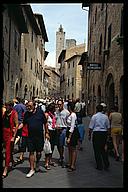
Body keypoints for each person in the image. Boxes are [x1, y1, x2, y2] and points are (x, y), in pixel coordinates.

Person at [20, 100, 49, 177]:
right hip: (30, 136)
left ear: (34, 105)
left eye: (30, 106)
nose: (28, 107)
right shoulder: (27, 114)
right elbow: (23, 123)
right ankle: (32, 169)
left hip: (39, 136)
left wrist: (46, 133)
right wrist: (17, 128)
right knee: (31, 152)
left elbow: (45, 123)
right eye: (27, 106)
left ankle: (37, 162)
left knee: (39, 152)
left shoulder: (40, 112)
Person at [88, 104, 110, 170]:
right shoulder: (105, 117)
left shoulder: (94, 117)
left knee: (97, 150)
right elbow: (108, 127)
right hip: (104, 133)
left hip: (97, 134)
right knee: (103, 149)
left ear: (97, 109)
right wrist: (108, 135)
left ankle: (99, 165)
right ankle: (106, 163)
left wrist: (89, 135)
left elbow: (91, 127)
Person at [2, 101, 19, 178]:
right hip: (3, 132)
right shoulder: (5, 113)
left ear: (11, 106)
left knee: (8, 151)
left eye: (7, 106)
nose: (5, 107)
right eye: (5, 105)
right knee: (9, 150)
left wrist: (13, 136)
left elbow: (16, 124)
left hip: (9, 133)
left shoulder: (14, 113)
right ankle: (12, 161)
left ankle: (6, 169)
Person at [55, 99, 70, 167]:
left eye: (60, 104)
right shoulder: (56, 111)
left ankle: (61, 157)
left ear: (63, 104)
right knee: (58, 144)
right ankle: (61, 156)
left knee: (61, 144)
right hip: (57, 129)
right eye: (58, 104)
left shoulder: (66, 112)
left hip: (63, 129)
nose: (59, 106)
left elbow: (69, 121)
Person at [66, 102, 80, 171]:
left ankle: (72, 165)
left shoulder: (73, 115)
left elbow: (72, 126)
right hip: (68, 131)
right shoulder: (70, 114)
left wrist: (69, 137)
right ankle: (69, 162)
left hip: (72, 132)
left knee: (73, 149)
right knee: (69, 148)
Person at [44, 102, 57, 170]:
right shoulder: (46, 115)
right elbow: (45, 124)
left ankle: (50, 160)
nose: (55, 109)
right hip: (49, 131)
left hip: (54, 131)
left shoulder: (53, 114)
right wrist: (46, 133)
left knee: (52, 147)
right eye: (54, 108)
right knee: (47, 148)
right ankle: (46, 163)